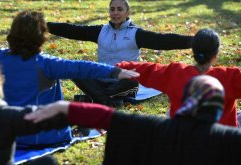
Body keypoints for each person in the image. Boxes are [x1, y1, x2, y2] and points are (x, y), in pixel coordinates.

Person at [0, 11, 139, 150]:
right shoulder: (46, 63)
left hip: (11, 135)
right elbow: (81, 67)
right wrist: (115, 72)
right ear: (41, 36)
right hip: (47, 138)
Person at [24, 75, 241, 165]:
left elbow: (109, 117)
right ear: (218, 107)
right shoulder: (229, 139)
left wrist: (66, 107)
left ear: (186, 100)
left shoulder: (156, 128)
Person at [47, 0, 193, 105]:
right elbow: (72, 30)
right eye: (112, 9)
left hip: (123, 82)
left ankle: (96, 98)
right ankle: (106, 100)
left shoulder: (136, 33)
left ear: (127, 12)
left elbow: (163, 40)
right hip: (101, 79)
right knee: (76, 69)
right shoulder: (100, 31)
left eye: (119, 9)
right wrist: (44, 26)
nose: (115, 13)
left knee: (132, 80)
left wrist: (193, 41)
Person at [116, 28, 241, 127]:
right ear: (216, 55)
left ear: (193, 51)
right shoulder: (231, 77)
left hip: (183, 141)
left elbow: (148, 69)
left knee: (170, 116)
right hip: (222, 144)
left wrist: (119, 67)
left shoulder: (175, 73)